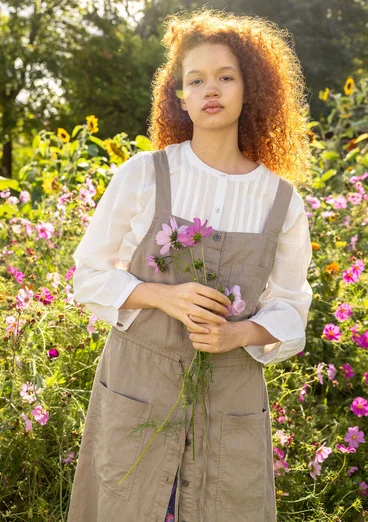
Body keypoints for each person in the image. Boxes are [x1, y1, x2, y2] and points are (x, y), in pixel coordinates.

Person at [67, 7, 313, 522]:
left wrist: (238, 336)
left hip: (230, 399)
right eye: (195, 79)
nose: (211, 89)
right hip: (138, 386)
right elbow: (88, 274)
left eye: (226, 76)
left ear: (252, 89)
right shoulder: (144, 175)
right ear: (178, 95)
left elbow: (291, 308)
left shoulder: (280, 200)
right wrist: (161, 295)